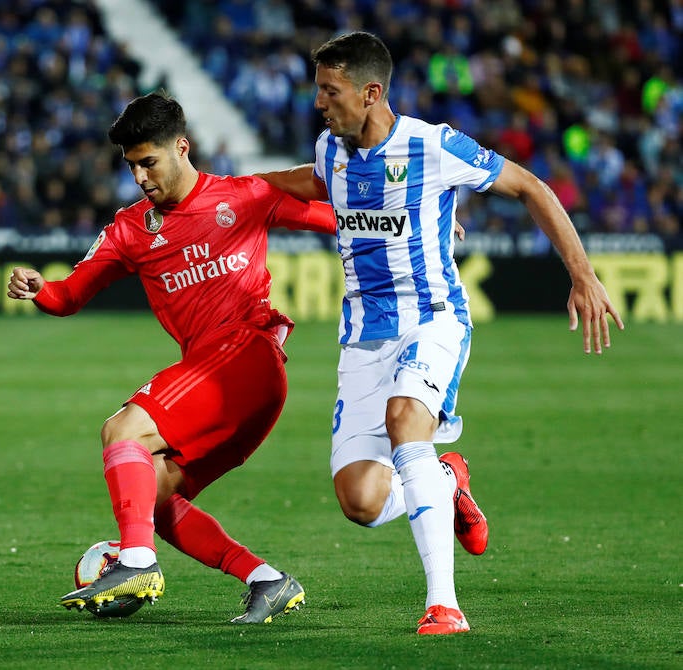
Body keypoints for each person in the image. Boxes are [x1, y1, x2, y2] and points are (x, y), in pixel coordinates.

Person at [257, 31, 624, 635]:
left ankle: (444, 605)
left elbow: (530, 186)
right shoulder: (332, 150)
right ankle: (447, 478)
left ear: (371, 92)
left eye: (331, 91)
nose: (319, 102)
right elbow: (310, 183)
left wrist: (583, 276)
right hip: (361, 339)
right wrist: (227, 189)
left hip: (433, 321)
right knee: (362, 503)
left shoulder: (432, 145)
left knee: (407, 417)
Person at [6, 91, 336, 623]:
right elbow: (69, 297)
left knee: (122, 432)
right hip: (237, 388)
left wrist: (418, 226)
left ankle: (135, 563)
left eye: (148, 162)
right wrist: (39, 287)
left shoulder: (244, 196)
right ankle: (266, 579)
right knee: (152, 497)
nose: (140, 177)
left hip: (246, 353)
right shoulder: (130, 229)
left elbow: (336, 219)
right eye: (132, 166)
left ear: (182, 147)